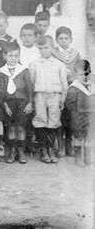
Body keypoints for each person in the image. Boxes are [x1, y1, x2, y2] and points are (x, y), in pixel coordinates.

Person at [29, 35, 68, 163]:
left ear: (52, 48)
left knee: (54, 119)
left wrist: (62, 99)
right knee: (40, 119)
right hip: (39, 94)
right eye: (41, 48)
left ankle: (51, 149)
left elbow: (64, 84)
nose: (43, 51)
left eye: (46, 48)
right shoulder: (34, 64)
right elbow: (32, 81)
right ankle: (43, 149)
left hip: (55, 95)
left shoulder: (59, 64)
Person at [0, 43, 33, 164]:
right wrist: (5, 105)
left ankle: (21, 150)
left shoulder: (23, 71)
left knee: (21, 127)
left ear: (19, 56)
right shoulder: (1, 72)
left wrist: (30, 103)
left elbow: (29, 88)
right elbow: (0, 91)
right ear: (4, 56)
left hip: (22, 103)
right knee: (11, 127)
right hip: (8, 104)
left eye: (16, 55)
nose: (13, 58)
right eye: (10, 55)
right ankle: (12, 150)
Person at [52, 26, 81, 157]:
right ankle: (61, 145)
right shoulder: (53, 53)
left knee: (70, 117)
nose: (63, 41)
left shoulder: (75, 54)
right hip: (58, 89)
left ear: (71, 39)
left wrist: (73, 75)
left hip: (72, 89)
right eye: (61, 38)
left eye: (66, 38)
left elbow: (79, 70)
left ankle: (69, 144)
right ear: (56, 40)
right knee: (59, 117)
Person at [65, 60, 95, 167]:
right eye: (81, 74)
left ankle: (88, 157)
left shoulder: (92, 86)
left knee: (90, 136)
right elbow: (69, 105)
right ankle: (78, 158)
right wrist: (75, 116)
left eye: (86, 73)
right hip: (78, 117)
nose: (84, 76)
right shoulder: (74, 88)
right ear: (76, 75)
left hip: (91, 115)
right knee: (78, 137)